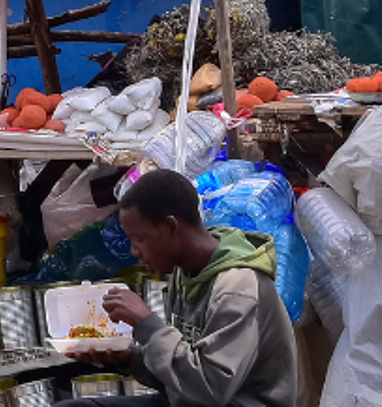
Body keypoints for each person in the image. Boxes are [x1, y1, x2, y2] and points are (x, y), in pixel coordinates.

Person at [60, 169, 296, 407]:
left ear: (171, 227)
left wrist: (147, 324)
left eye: (139, 239)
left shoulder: (236, 288)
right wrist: (129, 358)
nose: (134, 251)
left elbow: (209, 390)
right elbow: (180, 375)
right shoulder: (183, 273)